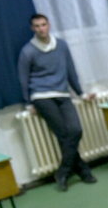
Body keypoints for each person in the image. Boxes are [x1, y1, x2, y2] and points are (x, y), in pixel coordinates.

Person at [17, 13, 97, 192]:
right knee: (63, 133)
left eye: (43, 25)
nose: (41, 29)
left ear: (49, 25)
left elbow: (71, 71)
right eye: (37, 26)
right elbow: (23, 78)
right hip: (41, 97)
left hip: (62, 93)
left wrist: (81, 93)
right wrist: (28, 103)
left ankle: (63, 171)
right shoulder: (27, 51)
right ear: (32, 28)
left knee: (75, 130)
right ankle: (83, 170)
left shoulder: (61, 45)